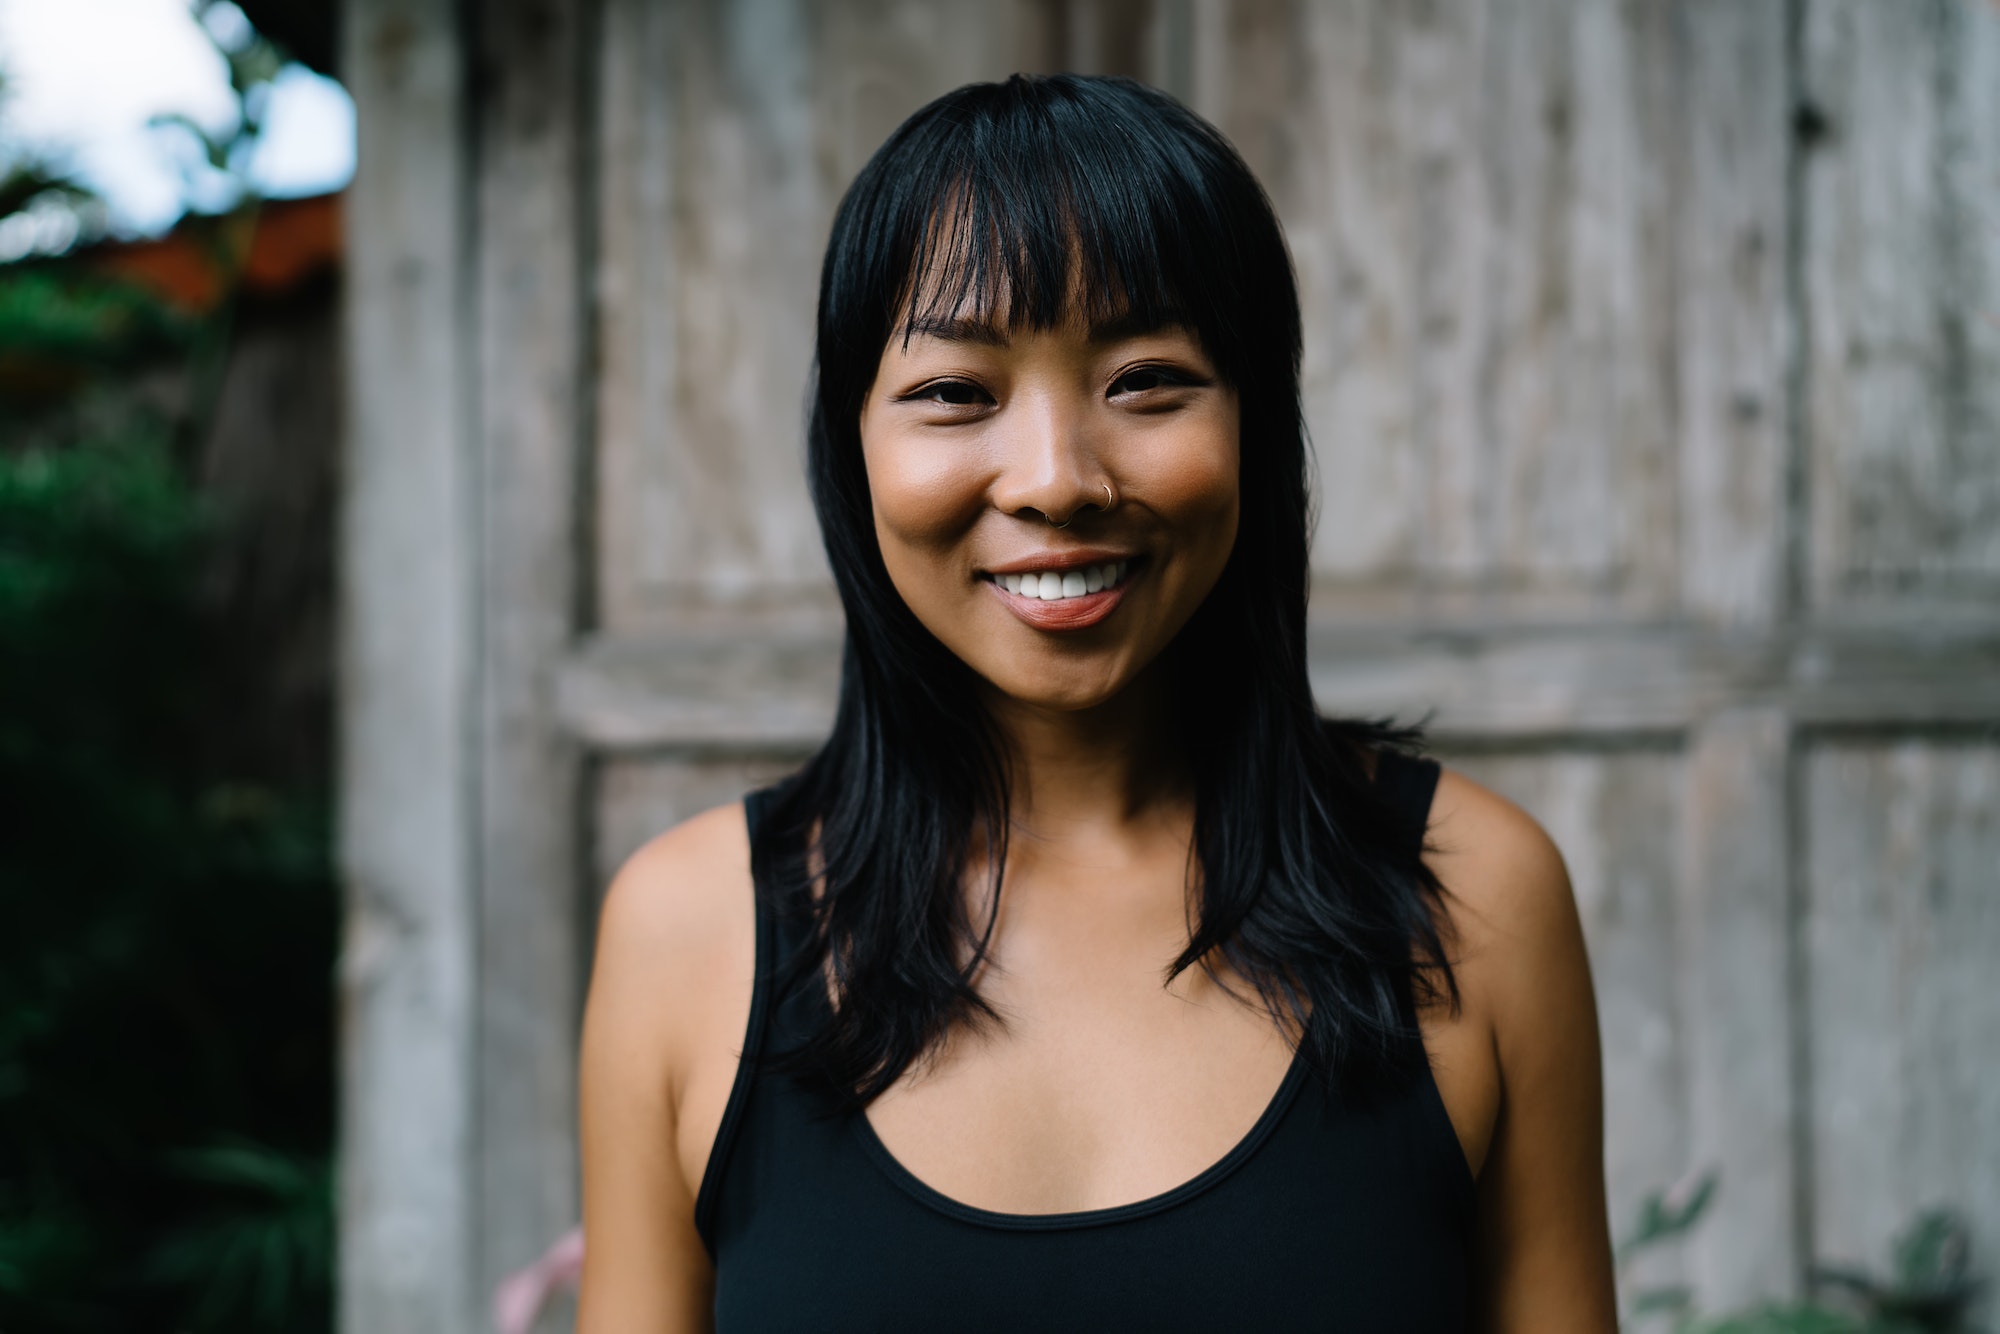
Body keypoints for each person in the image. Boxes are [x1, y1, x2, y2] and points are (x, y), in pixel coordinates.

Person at [577, 73, 1615, 1331]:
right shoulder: (687, 933)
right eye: (956, 392)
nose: (1056, 479)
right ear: (852, 451)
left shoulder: (1476, 895)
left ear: (1257, 426)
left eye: (1143, 379)